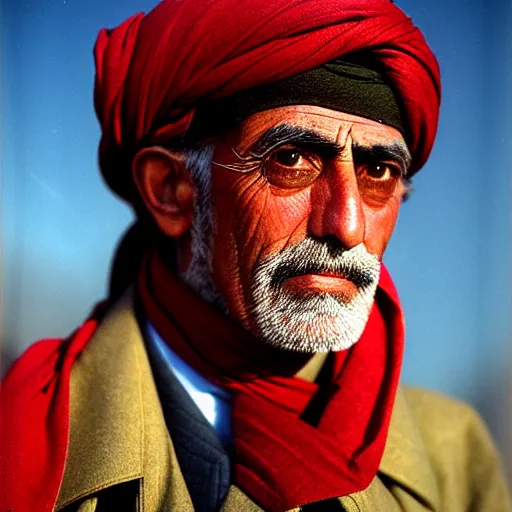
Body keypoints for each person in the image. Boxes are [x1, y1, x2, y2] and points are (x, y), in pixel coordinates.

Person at [1, 0, 510, 511]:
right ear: (171, 190)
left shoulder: (454, 459)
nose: (347, 226)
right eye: (291, 160)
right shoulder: (22, 439)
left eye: (378, 172)